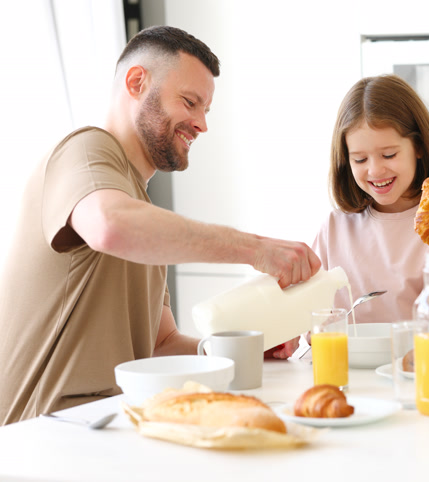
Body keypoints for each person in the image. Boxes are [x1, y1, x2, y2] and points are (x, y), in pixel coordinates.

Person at [0, 26, 321, 425]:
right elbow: (109, 226)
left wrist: (228, 351)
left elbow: (159, 344)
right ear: (137, 82)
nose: (202, 123)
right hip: (42, 438)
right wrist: (256, 248)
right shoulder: (84, 150)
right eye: (190, 102)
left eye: (206, 110)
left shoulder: (140, 209)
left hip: (101, 429)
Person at [267, 75, 429, 360]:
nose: (376, 170)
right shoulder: (334, 227)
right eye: (360, 159)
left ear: (418, 147)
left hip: (412, 376)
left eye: (389, 154)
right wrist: (287, 336)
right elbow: (305, 316)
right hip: (339, 371)